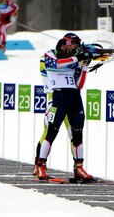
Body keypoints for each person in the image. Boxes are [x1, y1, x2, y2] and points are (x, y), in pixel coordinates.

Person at [37, 33, 97, 182]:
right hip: (58, 97)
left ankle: (79, 168)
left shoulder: (74, 61)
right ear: (61, 46)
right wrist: (78, 58)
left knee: (77, 134)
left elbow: (79, 84)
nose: (70, 48)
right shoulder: (50, 55)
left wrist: (84, 66)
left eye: (73, 46)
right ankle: (41, 166)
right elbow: (55, 64)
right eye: (67, 45)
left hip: (74, 97)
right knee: (51, 132)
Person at [32, 38, 73, 177]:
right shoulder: (47, 57)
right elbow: (54, 65)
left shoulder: (70, 60)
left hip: (69, 99)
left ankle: (78, 167)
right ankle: (38, 164)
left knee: (73, 133)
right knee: (47, 132)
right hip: (53, 100)